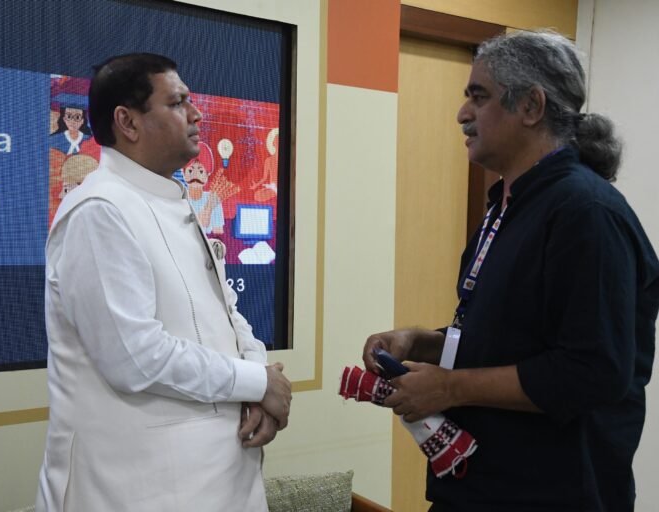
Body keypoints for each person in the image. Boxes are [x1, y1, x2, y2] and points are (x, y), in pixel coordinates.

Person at [363, 30, 659, 512]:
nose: (462, 114)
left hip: (553, 494)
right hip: (478, 485)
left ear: (531, 106)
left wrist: (447, 387)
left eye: (478, 97)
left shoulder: (586, 213)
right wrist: (425, 341)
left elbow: (591, 371)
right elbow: (518, 337)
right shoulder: (508, 206)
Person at [36, 53, 292, 512]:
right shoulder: (99, 211)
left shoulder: (170, 199)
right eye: (177, 103)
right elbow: (134, 357)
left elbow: (226, 313)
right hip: (140, 488)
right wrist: (255, 382)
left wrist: (260, 382)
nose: (196, 115)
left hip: (219, 480)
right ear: (127, 122)